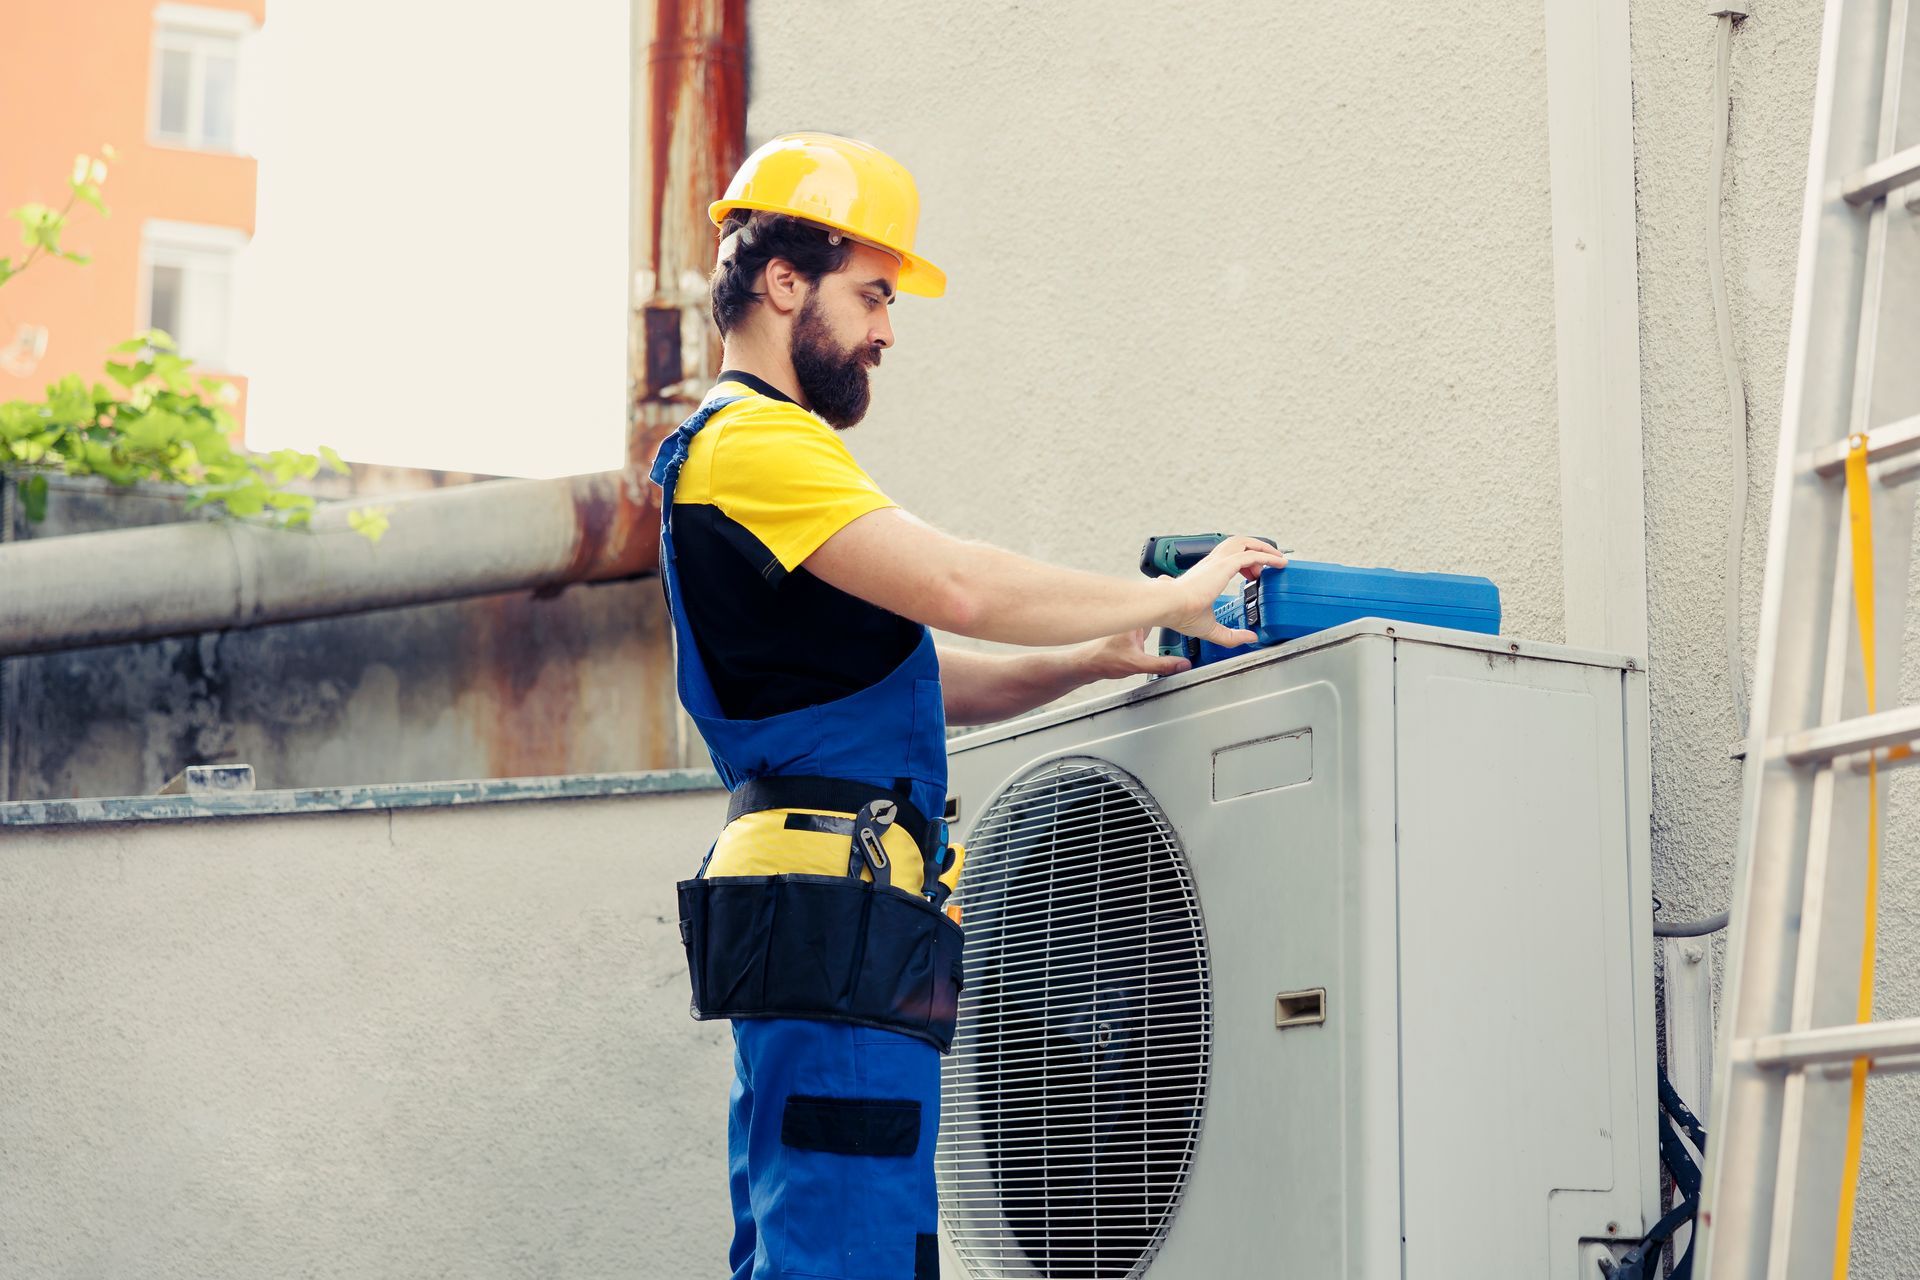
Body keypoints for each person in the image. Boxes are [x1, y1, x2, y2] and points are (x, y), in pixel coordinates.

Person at [648, 132, 1287, 1280]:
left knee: (831, 1222)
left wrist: (1089, 656)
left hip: (823, 899)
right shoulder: (757, 441)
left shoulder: (749, 456)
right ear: (785, 280)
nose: (889, 330)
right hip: (838, 904)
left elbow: (911, 674)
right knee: (848, 1244)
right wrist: (1170, 591)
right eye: (873, 292)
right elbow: (960, 584)